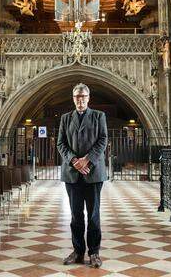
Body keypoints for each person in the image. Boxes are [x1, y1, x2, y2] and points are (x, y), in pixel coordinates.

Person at [57, 83, 108, 268]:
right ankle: (78, 252)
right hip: (72, 173)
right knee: (76, 216)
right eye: (77, 97)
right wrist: (74, 161)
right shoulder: (65, 118)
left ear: (88, 98)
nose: (80, 100)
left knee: (94, 216)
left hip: (93, 172)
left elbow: (103, 140)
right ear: (73, 98)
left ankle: (94, 253)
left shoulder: (98, 116)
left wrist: (87, 160)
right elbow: (60, 143)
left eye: (83, 96)